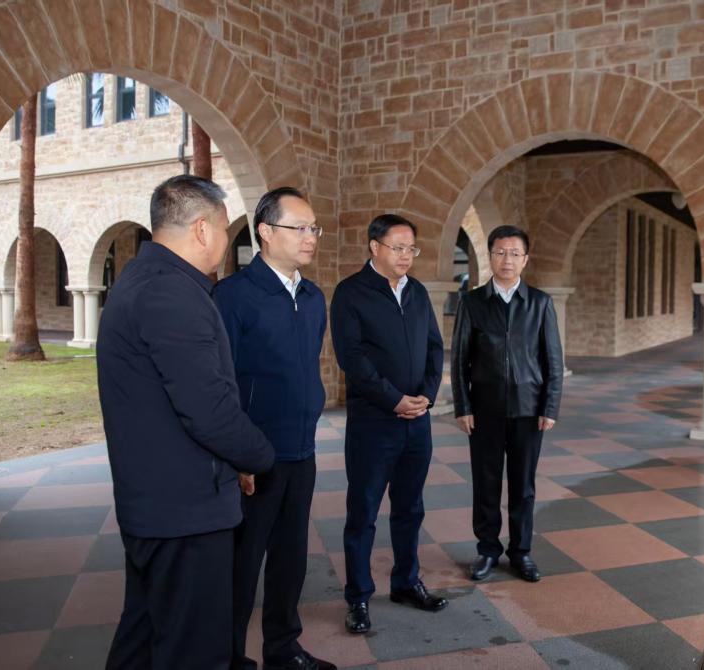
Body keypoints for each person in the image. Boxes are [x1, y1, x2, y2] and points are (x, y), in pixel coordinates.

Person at [97, 174, 275, 669]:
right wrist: (261, 455)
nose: (225, 241)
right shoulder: (171, 293)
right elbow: (208, 409)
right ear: (201, 229)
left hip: (158, 505)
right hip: (183, 511)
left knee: (144, 639)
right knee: (193, 651)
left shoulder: (144, 280)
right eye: (224, 229)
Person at [213, 188, 335, 670]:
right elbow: (221, 384)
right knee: (241, 565)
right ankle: (227, 658)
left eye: (313, 228)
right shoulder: (233, 297)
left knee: (290, 558)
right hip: (254, 457)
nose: (310, 237)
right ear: (265, 231)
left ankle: (283, 650)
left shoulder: (313, 297)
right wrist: (239, 456)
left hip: (301, 450)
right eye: (298, 227)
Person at [330, 213, 447, 634]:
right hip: (374, 423)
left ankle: (406, 582)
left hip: (417, 423)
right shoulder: (350, 293)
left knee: (410, 508)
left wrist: (426, 396)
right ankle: (358, 597)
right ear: (374, 247)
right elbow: (352, 359)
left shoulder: (417, 291)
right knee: (363, 512)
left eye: (411, 248)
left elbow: (434, 347)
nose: (406, 256)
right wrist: (393, 400)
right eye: (398, 247)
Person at [450, 224, 564, 583]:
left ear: (525, 259)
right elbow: (459, 360)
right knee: (485, 484)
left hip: (529, 410)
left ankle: (521, 552)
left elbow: (553, 360)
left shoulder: (540, 303)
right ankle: (487, 550)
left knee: (523, 486)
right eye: (500, 252)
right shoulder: (472, 303)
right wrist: (463, 406)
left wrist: (549, 407)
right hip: (484, 411)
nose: (507, 260)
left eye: (514, 253)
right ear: (490, 256)